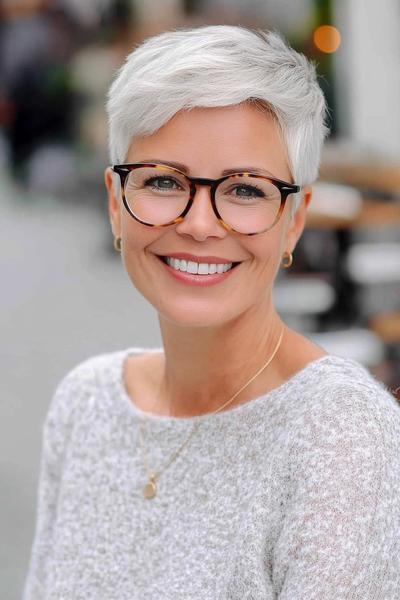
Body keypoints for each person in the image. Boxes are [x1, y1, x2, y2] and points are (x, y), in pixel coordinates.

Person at [23, 25, 400, 599]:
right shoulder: (86, 403)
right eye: (163, 181)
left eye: (246, 190)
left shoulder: (339, 435)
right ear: (115, 203)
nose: (199, 224)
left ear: (294, 219)